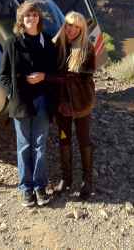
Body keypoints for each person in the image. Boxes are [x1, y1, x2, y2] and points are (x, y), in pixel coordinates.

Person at [0, 1, 56, 207]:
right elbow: (4, 76)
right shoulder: (12, 44)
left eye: (34, 14)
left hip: (42, 100)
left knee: (40, 145)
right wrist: (14, 92)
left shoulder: (48, 43)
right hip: (21, 102)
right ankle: (26, 188)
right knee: (24, 146)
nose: (31, 18)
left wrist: (44, 76)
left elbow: (55, 73)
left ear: (39, 17)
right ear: (21, 20)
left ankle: (40, 186)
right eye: (26, 16)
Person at [52, 11, 96, 200]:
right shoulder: (58, 46)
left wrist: (61, 77)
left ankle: (87, 180)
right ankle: (66, 178)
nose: (71, 29)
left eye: (75, 26)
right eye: (68, 25)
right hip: (62, 104)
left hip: (81, 103)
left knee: (83, 139)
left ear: (81, 29)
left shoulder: (87, 48)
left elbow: (86, 76)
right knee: (64, 138)